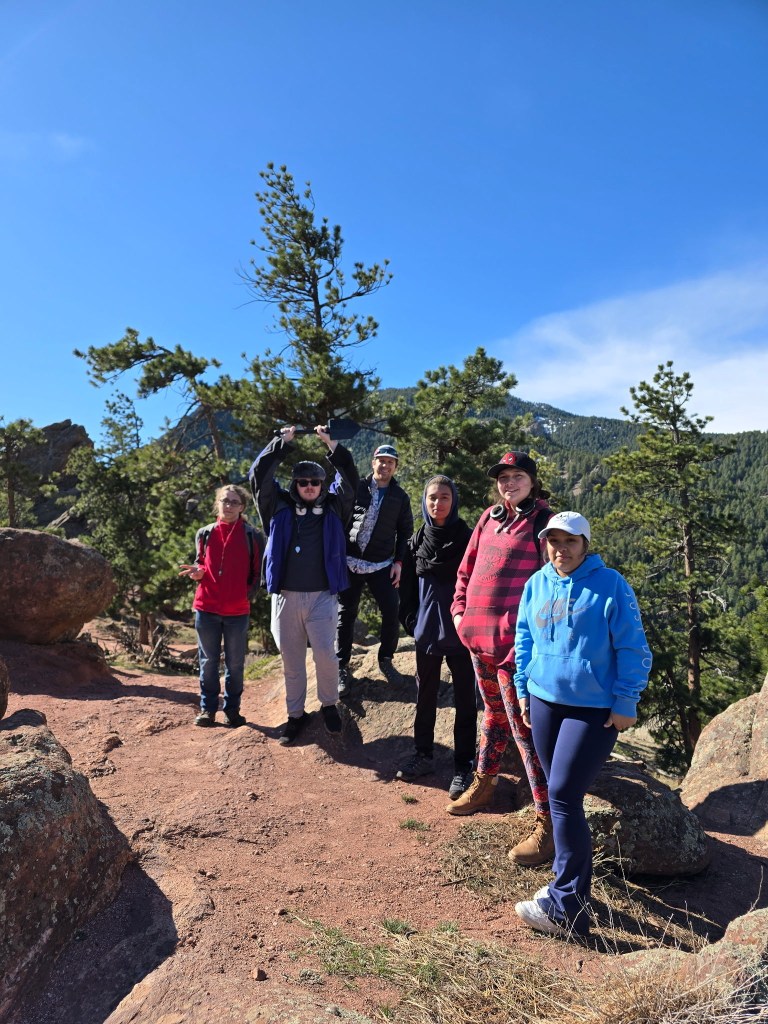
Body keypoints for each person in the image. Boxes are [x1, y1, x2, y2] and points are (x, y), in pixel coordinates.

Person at [513, 511, 651, 937]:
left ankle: (566, 907)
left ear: (585, 544)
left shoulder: (610, 585)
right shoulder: (538, 583)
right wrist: (522, 686)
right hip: (543, 701)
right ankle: (565, 885)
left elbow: (633, 646)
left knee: (563, 794)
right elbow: (524, 638)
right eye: (553, 540)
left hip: (592, 709)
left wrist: (626, 699)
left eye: (570, 541)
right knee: (561, 798)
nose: (561, 549)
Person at [448, 451, 554, 868]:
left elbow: (553, 588)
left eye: (517, 476)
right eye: (504, 477)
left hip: (514, 652)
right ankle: (484, 783)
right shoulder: (489, 518)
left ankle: (547, 824)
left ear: (532, 480)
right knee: (493, 715)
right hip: (478, 641)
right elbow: (466, 569)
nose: (509, 483)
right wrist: (460, 614)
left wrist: (526, 642)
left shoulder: (544, 523)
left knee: (525, 731)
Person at [249, 425, 358, 745]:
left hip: (323, 597)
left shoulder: (336, 507)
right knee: (292, 660)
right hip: (285, 598)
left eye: (315, 481)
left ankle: (328, 705)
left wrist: (332, 445)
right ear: (295, 484)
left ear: (322, 483)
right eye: (303, 481)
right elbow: (259, 476)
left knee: (326, 654)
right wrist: (280, 443)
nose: (309, 486)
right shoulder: (277, 506)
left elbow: (350, 480)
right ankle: (295, 716)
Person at [396, 475, 477, 799]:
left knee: (465, 701)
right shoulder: (417, 541)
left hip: (461, 633)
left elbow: (477, 585)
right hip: (427, 632)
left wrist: (472, 624)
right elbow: (406, 590)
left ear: (453, 501)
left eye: (444, 497)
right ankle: (423, 755)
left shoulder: (468, 540)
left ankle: (463, 765)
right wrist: (412, 622)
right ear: (424, 501)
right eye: (432, 497)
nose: (437, 503)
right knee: (425, 696)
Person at [180, 484, 264, 728]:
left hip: (237, 611)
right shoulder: (204, 533)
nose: (228, 506)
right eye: (225, 501)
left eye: (234, 502)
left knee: (235, 663)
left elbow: (257, 573)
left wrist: (245, 596)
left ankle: (232, 711)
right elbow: (201, 564)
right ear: (217, 503)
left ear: (242, 507)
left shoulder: (252, 535)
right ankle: (207, 710)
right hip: (206, 608)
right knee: (207, 662)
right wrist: (198, 572)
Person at [336, 443, 414, 696]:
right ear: (373, 462)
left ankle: (386, 660)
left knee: (392, 610)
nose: (385, 465)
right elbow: (339, 516)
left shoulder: (400, 497)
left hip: (381, 564)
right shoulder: (357, 487)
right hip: (349, 561)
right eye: (381, 460)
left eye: (390, 462)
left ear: (395, 467)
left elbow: (405, 532)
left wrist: (399, 563)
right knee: (345, 615)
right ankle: (341, 666)